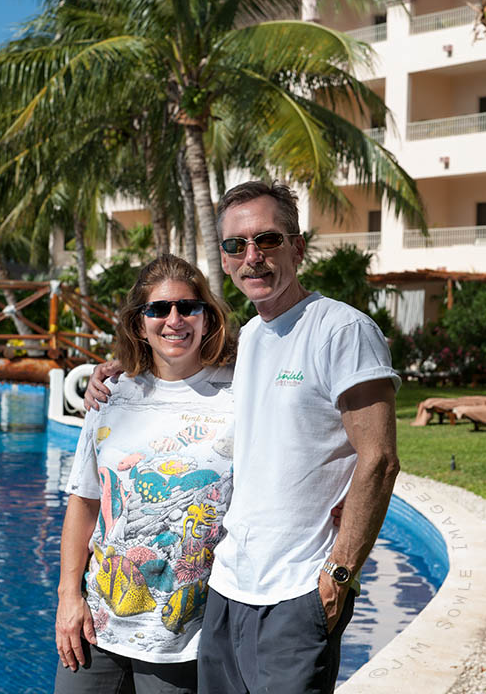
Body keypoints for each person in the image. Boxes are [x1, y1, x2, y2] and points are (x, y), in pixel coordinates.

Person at [86, 181, 400, 694]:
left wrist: (339, 576)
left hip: (298, 590)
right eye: (236, 245)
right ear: (226, 261)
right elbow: (184, 353)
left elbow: (381, 460)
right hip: (227, 589)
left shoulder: (342, 330)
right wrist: (125, 366)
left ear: (297, 248)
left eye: (268, 240)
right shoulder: (252, 337)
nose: (252, 257)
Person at [54, 254, 237, 694]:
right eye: (158, 309)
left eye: (188, 307)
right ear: (139, 324)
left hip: (185, 639)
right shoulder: (112, 395)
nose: (174, 320)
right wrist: (67, 597)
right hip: (97, 626)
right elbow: (84, 502)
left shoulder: (239, 393)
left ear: (208, 317)